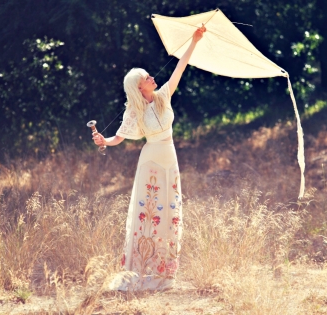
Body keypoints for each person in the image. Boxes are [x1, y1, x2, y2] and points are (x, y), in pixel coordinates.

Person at [92, 26, 206, 291]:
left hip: (170, 158)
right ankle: (141, 268)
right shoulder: (135, 111)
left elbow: (181, 66)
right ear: (138, 86)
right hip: (150, 161)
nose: (152, 77)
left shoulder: (164, 96)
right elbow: (119, 137)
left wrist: (194, 41)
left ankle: (164, 273)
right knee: (149, 213)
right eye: (147, 77)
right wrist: (104, 141)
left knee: (169, 211)